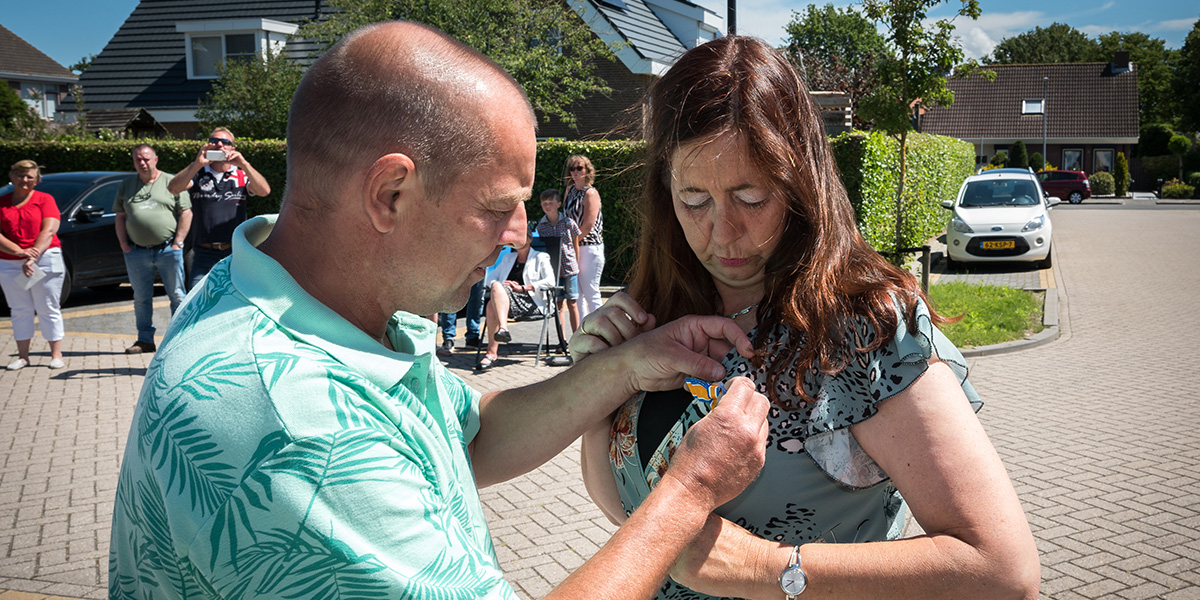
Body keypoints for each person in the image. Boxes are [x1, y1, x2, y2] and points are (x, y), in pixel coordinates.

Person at [108, 21, 772, 600]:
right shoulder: (298, 424)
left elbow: (468, 434)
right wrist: (689, 489)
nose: (517, 232)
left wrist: (624, 367)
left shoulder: (309, 288)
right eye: (494, 207)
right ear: (389, 194)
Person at [573, 36, 1041, 600]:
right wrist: (599, 390)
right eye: (694, 200)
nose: (722, 234)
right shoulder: (658, 314)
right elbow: (623, 505)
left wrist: (766, 567)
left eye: (750, 197)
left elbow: (1001, 570)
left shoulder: (862, 330)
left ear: (801, 185)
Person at [168, 127, 271, 290]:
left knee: (235, 299)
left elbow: (264, 191)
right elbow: (173, 188)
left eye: (225, 142)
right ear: (207, 146)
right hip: (203, 253)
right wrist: (196, 164)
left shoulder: (241, 174)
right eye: (214, 141)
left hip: (234, 253)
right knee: (198, 299)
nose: (220, 145)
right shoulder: (198, 172)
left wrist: (244, 164)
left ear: (232, 148)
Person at [114, 144, 191, 354]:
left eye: (146, 159)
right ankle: (145, 340)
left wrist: (178, 243)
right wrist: (124, 245)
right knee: (141, 297)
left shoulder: (171, 181)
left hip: (168, 249)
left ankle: (180, 340)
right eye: (138, 159)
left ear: (155, 159)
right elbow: (120, 217)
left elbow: (186, 212)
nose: (142, 162)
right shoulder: (127, 185)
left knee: (176, 295)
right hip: (136, 252)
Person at [0, 160, 66, 370]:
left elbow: (49, 230)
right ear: (11, 176)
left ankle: (56, 355)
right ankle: (22, 356)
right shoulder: (2, 202)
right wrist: (19, 252)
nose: (25, 180)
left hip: (44, 258)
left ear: (37, 179)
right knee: (19, 309)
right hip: (10, 261)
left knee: (47, 307)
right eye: (20, 175)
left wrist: (32, 257)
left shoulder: (45, 199)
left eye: (30, 176)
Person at [476, 241, 555, 370]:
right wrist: (505, 285)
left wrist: (523, 288)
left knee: (492, 304)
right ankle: (502, 331)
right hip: (507, 302)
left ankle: (492, 353)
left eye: (524, 239)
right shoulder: (508, 258)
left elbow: (550, 282)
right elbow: (490, 278)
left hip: (531, 303)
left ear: (529, 240)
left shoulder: (541, 257)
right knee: (494, 294)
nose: (521, 243)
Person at [562, 155, 605, 319]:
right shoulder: (569, 191)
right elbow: (565, 219)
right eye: (572, 168)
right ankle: (582, 334)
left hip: (589, 247)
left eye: (579, 168)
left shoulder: (591, 193)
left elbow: (588, 225)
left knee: (590, 292)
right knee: (576, 294)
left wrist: (571, 242)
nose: (575, 172)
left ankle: (600, 333)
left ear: (587, 170)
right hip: (573, 247)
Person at [535, 188, 581, 340]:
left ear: (558, 204)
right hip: (553, 270)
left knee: (572, 302)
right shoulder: (541, 227)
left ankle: (577, 338)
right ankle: (562, 340)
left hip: (569, 267)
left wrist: (577, 263)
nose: (547, 206)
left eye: (551, 203)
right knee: (558, 305)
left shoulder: (568, 222)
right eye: (544, 203)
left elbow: (575, 244)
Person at [435, 280, 484, 356]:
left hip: (478, 268)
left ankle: (472, 338)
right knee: (451, 294)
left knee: (477, 298)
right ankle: (448, 338)